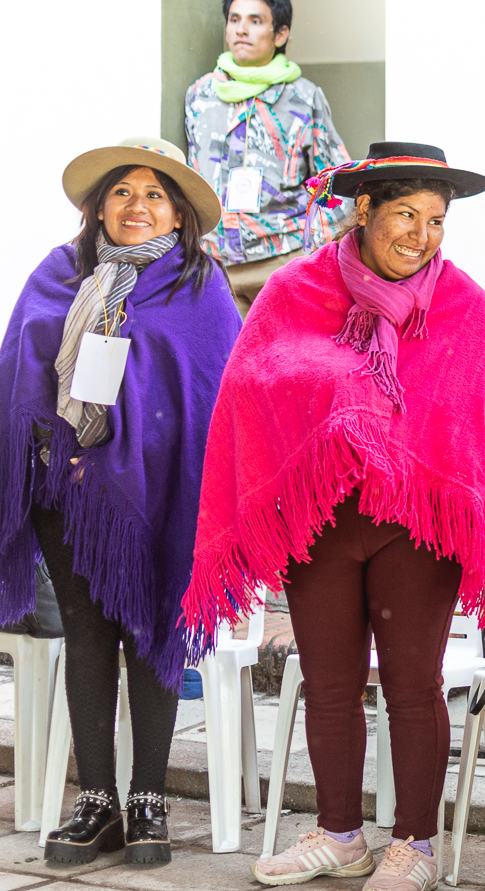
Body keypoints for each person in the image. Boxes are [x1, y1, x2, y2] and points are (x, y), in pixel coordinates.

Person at [179, 142, 485, 891]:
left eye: (436, 220)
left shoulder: (464, 306)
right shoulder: (296, 290)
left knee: (412, 684)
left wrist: (381, 426)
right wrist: (340, 402)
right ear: (364, 210)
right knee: (328, 680)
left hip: (416, 527)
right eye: (406, 215)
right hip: (322, 523)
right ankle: (340, 834)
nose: (421, 234)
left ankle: (412, 842)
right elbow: (252, 387)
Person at [0, 137, 239, 865]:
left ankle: (149, 797)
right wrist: (57, 452)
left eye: (155, 195)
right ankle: (97, 800)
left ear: (177, 214)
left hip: (164, 492)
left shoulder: (202, 287)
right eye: (123, 192)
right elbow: (19, 372)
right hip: (67, 491)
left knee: (153, 629)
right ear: (98, 205)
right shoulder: (58, 273)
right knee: (88, 633)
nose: (138, 206)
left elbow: (212, 395)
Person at [185, 0, 352, 316]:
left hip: (282, 260)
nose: (241, 29)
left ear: (280, 34)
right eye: (234, 19)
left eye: (255, 20)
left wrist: (311, 251)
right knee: (222, 362)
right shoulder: (201, 94)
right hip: (214, 265)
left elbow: (336, 182)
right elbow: (191, 177)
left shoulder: (304, 97)